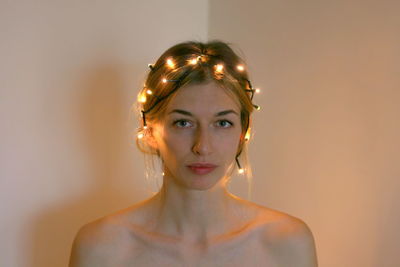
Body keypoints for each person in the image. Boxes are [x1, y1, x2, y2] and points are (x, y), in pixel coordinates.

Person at [69, 40, 318, 267]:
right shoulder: (102, 247)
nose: (203, 146)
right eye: (183, 123)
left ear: (243, 132)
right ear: (150, 131)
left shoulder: (286, 243)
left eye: (222, 123)